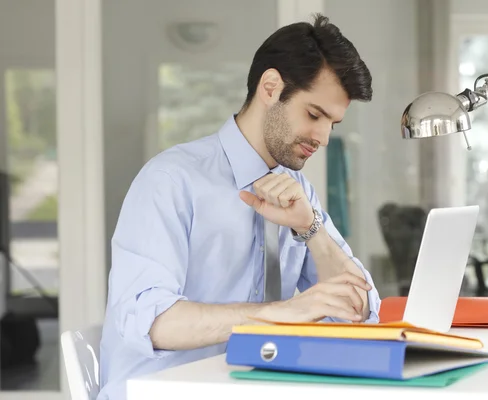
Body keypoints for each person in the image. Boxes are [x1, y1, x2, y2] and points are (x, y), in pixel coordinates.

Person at [97, 13, 381, 400]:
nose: (323, 137)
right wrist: (279, 315)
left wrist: (310, 227)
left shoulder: (298, 193)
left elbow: (360, 311)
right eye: (314, 115)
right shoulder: (170, 180)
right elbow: (153, 321)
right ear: (270, 87)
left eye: (333, 123)